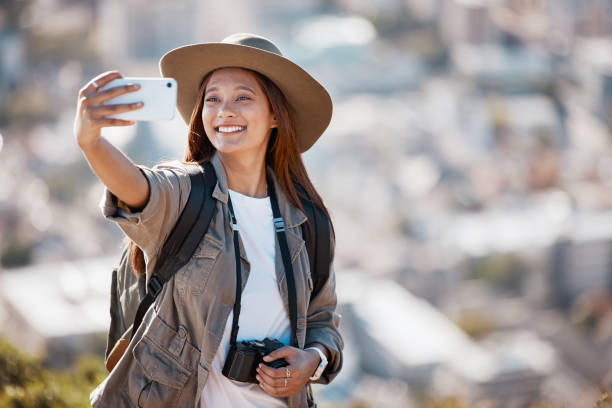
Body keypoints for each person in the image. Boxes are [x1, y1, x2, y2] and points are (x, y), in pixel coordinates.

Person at [74, 33, 343, 408]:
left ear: (275, 115)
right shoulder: (186, 194)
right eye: (212, 98)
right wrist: (91, 142)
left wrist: (312, 359)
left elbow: (323, 320)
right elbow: (137, 188)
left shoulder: (307, 220)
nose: (224, 110)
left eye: (243, 98)